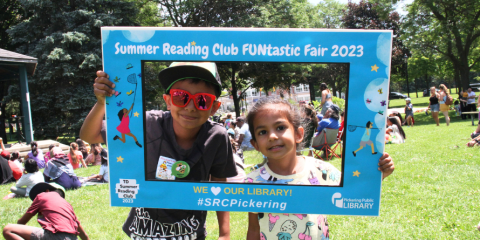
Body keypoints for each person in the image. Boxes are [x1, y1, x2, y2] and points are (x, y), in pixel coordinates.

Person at [79, 62, 237, 239]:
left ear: (214, 107)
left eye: (203, 100)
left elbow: (219, 184)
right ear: (168, 101)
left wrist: (225, 233)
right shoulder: (146, 124)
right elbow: (90, 136)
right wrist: (101, 103)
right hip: (144, 233)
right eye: (180, 97)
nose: (191, 106)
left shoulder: (217, 136)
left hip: (189, 233)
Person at [244, 98, 394, 240]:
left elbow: (352, 189)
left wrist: (380, 174)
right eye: (262, 132)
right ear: (255, 144)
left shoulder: (320, 169)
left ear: (298, 134)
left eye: (280, 127)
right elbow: (253, 229)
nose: (272, 136)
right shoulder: (252, 182)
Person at [2, 182, 89, 240]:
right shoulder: (67, 204)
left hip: (56, 236)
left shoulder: (42, 196)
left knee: (8, 229)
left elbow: (21, 222)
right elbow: (80, 229)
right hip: (72, 238)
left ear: (47, 190)